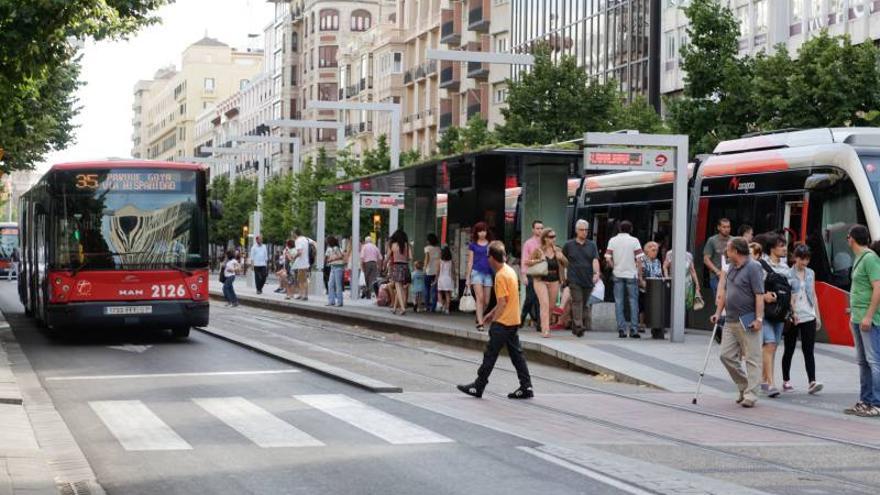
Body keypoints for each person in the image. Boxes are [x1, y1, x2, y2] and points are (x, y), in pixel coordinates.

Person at [457, 241, 533, 400]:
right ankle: (526, 386)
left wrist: (494, 321)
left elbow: (503, 303)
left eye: (487, 256)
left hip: (503, 323)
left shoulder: (500, 276)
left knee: (490, 354)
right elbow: (504, 300)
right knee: (517, 355)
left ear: (491, 258)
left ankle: (478, 386)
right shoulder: (510, 271)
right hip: (513, 320)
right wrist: (491, 313)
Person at [711, 237, 765, 408]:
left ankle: (751, 394)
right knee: (725, 356)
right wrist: (718, 313)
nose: (725, 252)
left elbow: (759, 295)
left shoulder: (754, 267)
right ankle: (744, 385)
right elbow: (726, 292)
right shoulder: (731, 267)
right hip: (730, 319)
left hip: (747, 319)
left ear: (735, 251)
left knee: (752, 358)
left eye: (728, 249)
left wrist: (759, 318)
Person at [844, 225, 880, 417]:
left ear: (852, 239)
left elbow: (878, 288)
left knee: (874, 361)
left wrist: (868, 315)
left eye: (847, 237)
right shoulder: (860, 258)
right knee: (863, 361)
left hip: (869, 319)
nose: (847, 240)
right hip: (857, 317)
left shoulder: (870, 259)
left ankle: (877, 402)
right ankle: (865, 400)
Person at [782, 244, 823, 394]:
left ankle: (812, 381)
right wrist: (792, 313)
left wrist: (817, 316)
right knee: (789, 348)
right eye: (801, 259)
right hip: (794, 316)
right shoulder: (787, 274)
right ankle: (786, 380)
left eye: (806, 260)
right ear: (795, 258)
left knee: (808, 350)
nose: (804, 263)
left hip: (808, 315)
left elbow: (813, 294)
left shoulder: (811, 273)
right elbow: (787, 297)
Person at [758, 233, 794, 398]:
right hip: (765, 312)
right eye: (780, 246)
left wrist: (792, 312)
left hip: (780, 314)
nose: (784, 248)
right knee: (770, 344)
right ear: (772, 248)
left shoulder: (786, 268)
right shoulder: (761, 265)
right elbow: (755, 288)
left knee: (772, 348)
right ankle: (771, 383)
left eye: (784, 245)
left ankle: (764, 379)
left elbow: (790, 292)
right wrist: (764, 296)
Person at [605, 220, 644, 339]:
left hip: (618, 274)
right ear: (630, 229)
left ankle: (621, 329)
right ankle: (634, 330)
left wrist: (614, 266)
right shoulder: (634, 241)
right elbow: (639, 260)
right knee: (633, 302)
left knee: (619, 302)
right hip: (631, 274)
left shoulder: (613, 240)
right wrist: (640, 275)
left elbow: (607, 258)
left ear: (619, 229)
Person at [563, 219, 600, 337]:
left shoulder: (592, 245)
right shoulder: (569, 245)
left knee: (584, 304)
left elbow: (595, 260)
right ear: (576, 231)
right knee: (577, 301)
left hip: (588, 278)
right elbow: (563, 261)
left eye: (586, 230)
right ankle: (579, 325)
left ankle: (575, 327)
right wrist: (564, 275)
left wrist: (596, 273)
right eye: (581, 230)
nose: (584, 232)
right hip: (574, 278)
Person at [530, 228, 567, 338]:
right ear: (545, 238)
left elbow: (567, 264)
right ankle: (545, 329)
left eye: (554, 236)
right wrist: (539, 260)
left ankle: (546, 326)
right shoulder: (538, 250)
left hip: (554, 280)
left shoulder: (558, 250)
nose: (553, 239)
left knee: (551, 306)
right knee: (544, 304)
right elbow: (528, 262)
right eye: (551, 237)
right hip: (540, 280)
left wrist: (562, 258)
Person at [466, 222, 494, 331]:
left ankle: (479, 316)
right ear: (476, 232)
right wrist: (468, 278)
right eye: (480, 231)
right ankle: (480, 323)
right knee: (480, 298)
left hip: (488, 273)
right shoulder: (473, 245)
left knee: (487, 301)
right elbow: (470, 261)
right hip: (476, 272)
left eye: (484, 230)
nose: (482, 233)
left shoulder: (491, 243)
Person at [521, 220, 544, 331]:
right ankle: (521, 320)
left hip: (542, 274)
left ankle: (540, 324)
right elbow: (524, 260)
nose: (540, 230)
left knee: (540, 299)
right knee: (530, 298)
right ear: (533, 229)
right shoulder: (528, 243)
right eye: (537, 228)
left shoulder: (545, 243)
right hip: (531, 274)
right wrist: (524, 275)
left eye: (541, 228)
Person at [639, 241, 664, 339]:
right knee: (642, 305)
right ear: (647, 250)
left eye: (657, 250)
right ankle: (641, 324)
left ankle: (655, 325)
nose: (655, 252)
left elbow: (659, 273)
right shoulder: (642, 260)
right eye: (653, 250)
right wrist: (643, 283)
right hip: (644, 286)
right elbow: (640, 274)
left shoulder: (657, 261)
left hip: (655, 287)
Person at [704, 218, 732, 297]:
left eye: (728, 227)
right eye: (724, 227)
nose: (726, 229)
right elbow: (706, 259)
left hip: (731, 278)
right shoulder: (712, 240)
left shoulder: (734, 240)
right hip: (716, 277)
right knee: (719, 302)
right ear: (718, 227)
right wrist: (717, 272)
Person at [388, 229, 411, 315]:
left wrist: (384, 264)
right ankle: (394, 308)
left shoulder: (393, 245)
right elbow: (410, 257)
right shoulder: (406, 245)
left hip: (397, 267)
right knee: (400, 288)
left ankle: (402, 308)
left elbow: (388, 256)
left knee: (398, 288)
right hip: (405, 266)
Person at [290, 229, 311, 300]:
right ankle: (304, 294)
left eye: (292, 234)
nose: (292, 235)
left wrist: (293, 257)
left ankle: (303, 295)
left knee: (301, 279)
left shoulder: (298, 240)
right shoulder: (305, 239)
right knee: (304, 279)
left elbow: (299, 252)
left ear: (295, 234)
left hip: (301, 263)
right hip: (306, 262)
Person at [423, 233, 442, 313]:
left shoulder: (427, 248)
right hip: (436, 270)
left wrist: (424, 267)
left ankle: (427, 306)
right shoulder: (438, 249)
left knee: (426, 288)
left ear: (428, 241)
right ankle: (433, 307)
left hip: (428, 270)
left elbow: (427, 258)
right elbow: (440, 260)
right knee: (434, 289)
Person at [325, 236, 345, 307]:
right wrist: (329, 260)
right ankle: (331, 301)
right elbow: (327, 258)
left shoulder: (336, 248)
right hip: (333, 267)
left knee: (337, 285)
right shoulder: (330, 249)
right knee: (330, 284)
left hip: (338, 267)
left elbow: (341, 256)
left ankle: (339, 302)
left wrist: (332, 259)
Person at [437, 245, 455, 314]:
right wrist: (454, 280)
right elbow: (453, 272)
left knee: (439, 292)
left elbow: (438, 271)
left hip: (441, 278)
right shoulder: (451, 262)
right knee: (447, 294)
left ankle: (441, 304)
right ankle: (447, 308)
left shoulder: (440, 261)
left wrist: (436, 279)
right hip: (449, 278)